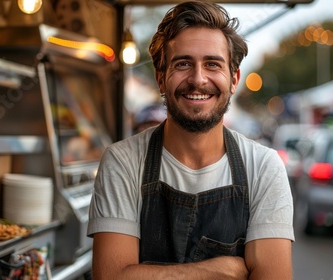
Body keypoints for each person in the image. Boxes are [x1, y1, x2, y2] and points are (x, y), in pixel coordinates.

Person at [87, 1, 295, 279]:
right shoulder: (123, 161)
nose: (198, 79)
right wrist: (218, 270)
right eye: (183, 63)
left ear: (234, 79)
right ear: (161, 78)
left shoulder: (263, 168)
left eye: (212, 64)